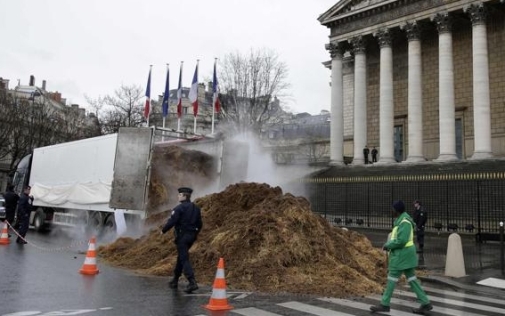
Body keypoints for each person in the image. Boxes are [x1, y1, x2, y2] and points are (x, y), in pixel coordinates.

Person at [370, 200, 432, 314]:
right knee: (412, 279)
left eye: (392, 209)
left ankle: (384, 304)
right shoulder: (403, 220)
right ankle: (425, 302)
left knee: (391, 279)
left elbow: (401, 241)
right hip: (406, 255)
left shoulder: (404, 222)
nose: (391, 211)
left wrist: (387, 245)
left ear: (397, 210)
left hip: (401, 255)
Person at [161, 187, 203, 293]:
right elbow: (200, 224)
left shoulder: (179, 208)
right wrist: (195, 233)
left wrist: (163, 230)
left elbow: (172, 221)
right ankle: (175, 280)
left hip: (182, 236)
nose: (178, 196)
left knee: (184, 258)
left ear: (184, 196)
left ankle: (192, 282)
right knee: (181, 256)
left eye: (179, 195)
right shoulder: (196, 208)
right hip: (192, 236)